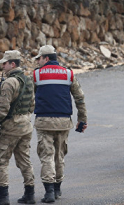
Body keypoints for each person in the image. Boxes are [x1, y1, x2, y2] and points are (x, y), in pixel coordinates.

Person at [32, 45, 87, 203]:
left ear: (46, 58)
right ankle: (57, 189)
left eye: (39, 58)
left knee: (46, 156)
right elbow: (80, 98)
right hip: (64, 122)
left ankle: (49, 192)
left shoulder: (36, 75)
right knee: (59, 155)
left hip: (44, 122)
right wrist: (82, 120)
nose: (38, 62)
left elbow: (30, 98)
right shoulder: (69, 73)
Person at [0, 50, 36, 205]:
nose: (2, 66)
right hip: (26, 125)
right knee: (24, 160)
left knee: (1, 160)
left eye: (4, 63)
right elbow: (32, 105)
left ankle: (3, 197)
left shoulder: (9, 83)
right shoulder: (28, 80)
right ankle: (30, 194)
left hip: (11, 127)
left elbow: (2, 110)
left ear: (12, 64)